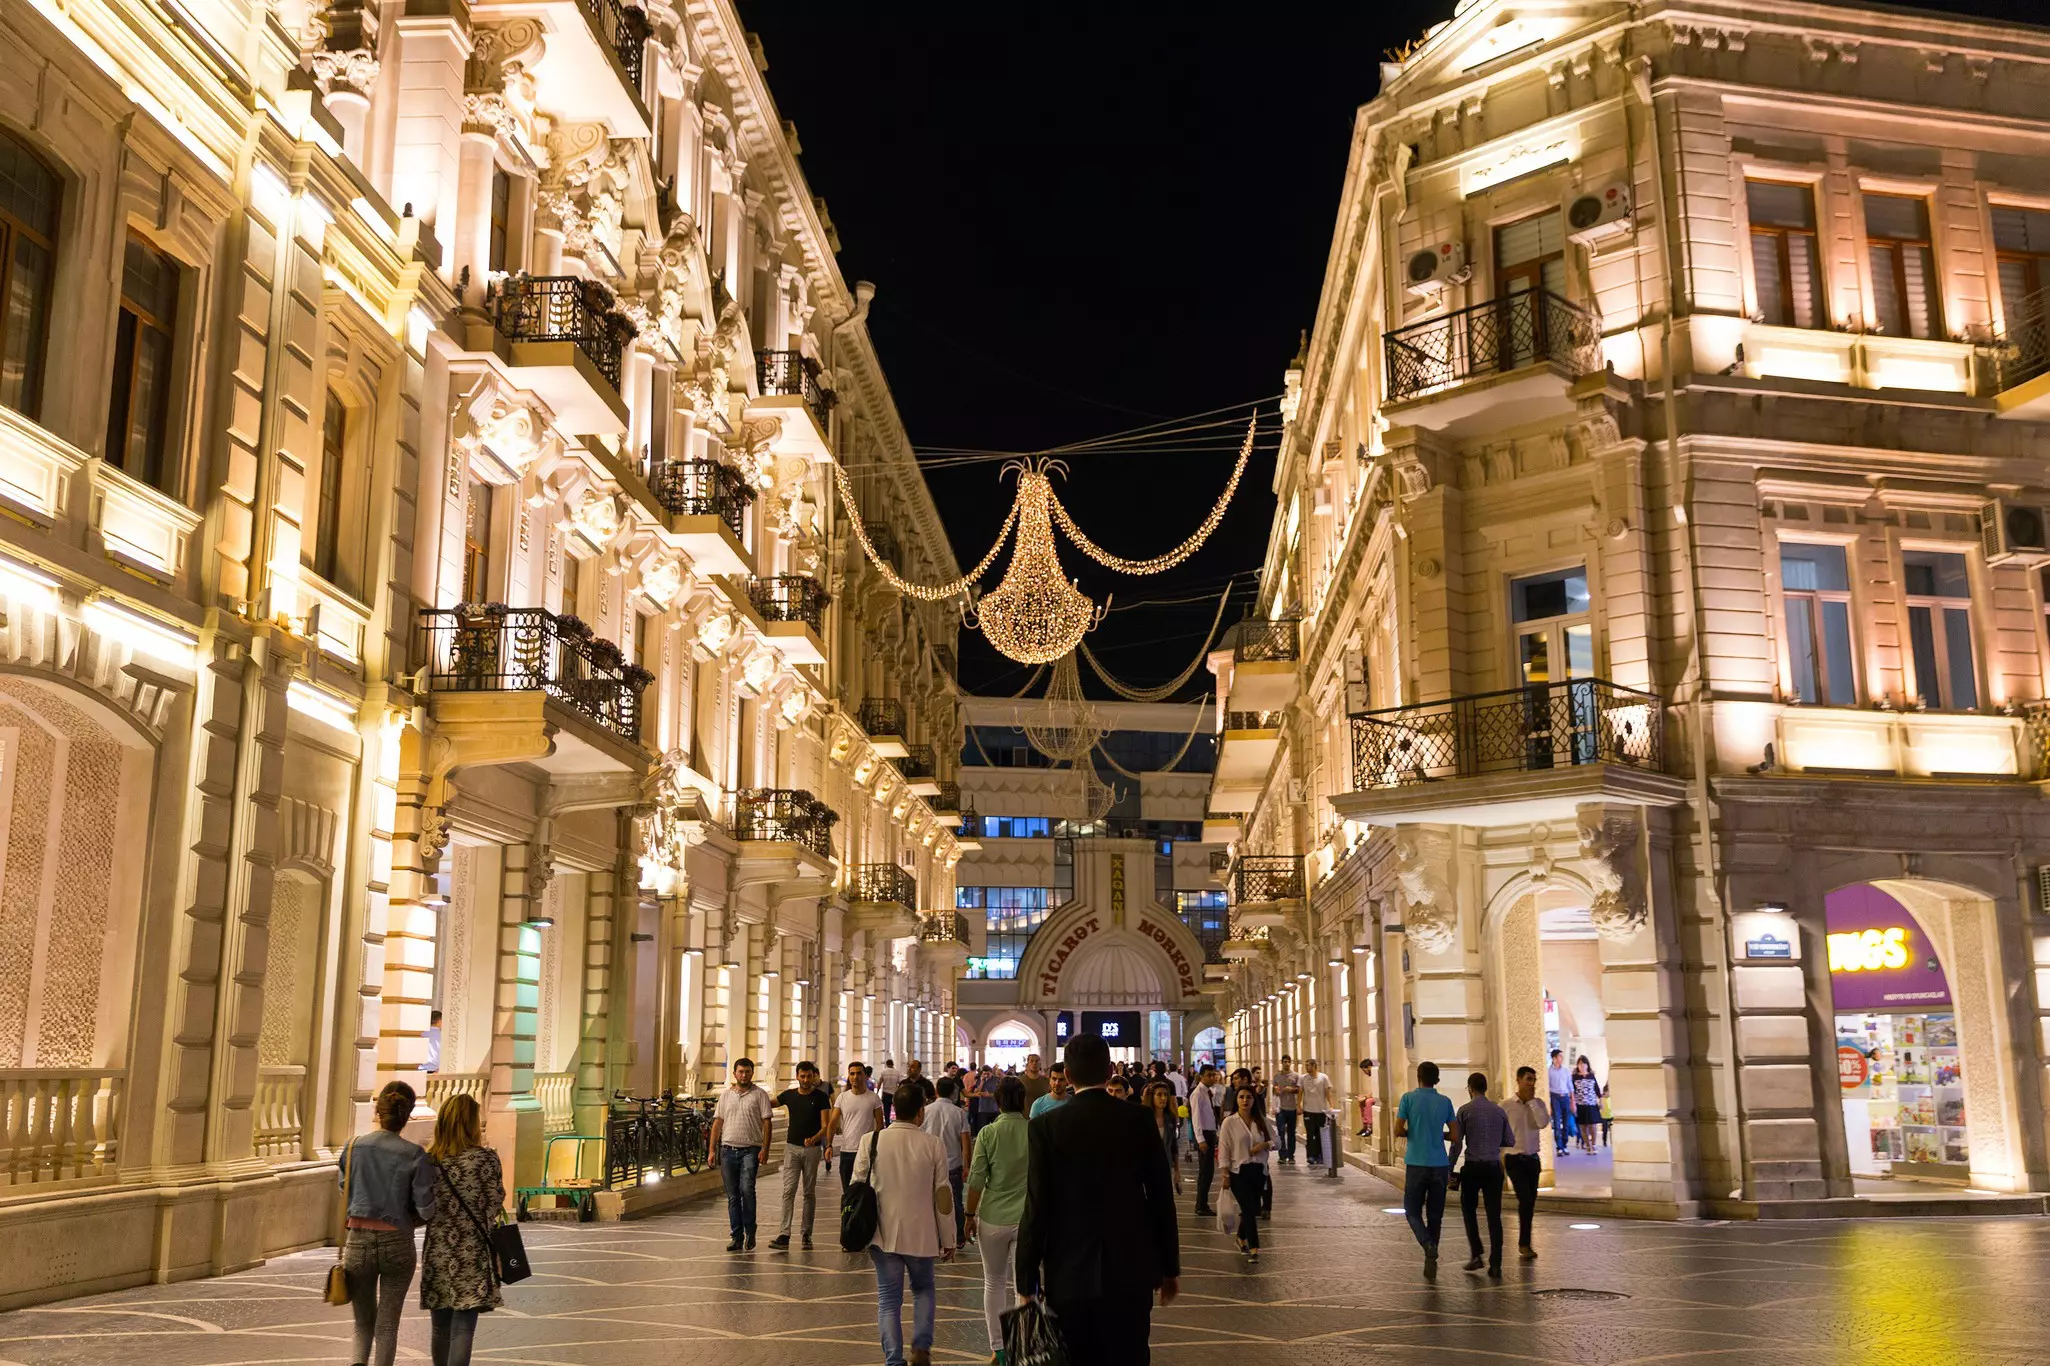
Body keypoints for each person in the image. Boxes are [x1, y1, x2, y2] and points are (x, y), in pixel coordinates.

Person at [1016, 1034, 1181, 1365]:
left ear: (1069, 1076)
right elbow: (1161, 1198)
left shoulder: (1045, 1126)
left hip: (1069, 1273)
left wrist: (1026, 1282)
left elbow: (1037, 1206)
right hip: (1131, 1270)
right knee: (1130, 1355)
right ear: (1109, 1072)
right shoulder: (1139, 1119)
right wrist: (1169, 1268)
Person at [852, 1081, 956, 1366]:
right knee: (923, 1290)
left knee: (888, 1300)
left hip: (881, 1235)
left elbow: (856, 1185)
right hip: (921, 1235)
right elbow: (943, 1196)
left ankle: (894, 1360)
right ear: (921, 1112)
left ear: (893, 1109)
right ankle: (921, 1346)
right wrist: (949, 1239)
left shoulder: (870, 1141)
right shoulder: (933, 1144)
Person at [338, 1080, 436, 1366]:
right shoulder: (414, 1154)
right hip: (397, 1244)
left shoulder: (354, 1147)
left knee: (362, 1322)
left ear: (377, 1111)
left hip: (357, 1241)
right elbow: (425, 1208)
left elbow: (345, 1188)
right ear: (406, 1116)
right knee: (387, 1323)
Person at [419, 1092, 502, 1366]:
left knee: (440, 1328)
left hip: (438, 1251)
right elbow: (495, 1203)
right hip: (473, 1252)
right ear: (471, 1124)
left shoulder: (430, 1161)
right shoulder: (486, 1160)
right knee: (463, 1328)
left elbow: (422, 1206)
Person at [966, 1077, 1028, 1363]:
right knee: (1023, 1287)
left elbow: (977, 1178)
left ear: (998, 1102)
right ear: (1023, 1101)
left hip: (992, 1218)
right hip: (1027, 1218)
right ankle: (1021, 1345)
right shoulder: (1035, 1131)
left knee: (993, 1282)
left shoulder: (988, 1133)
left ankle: (999, 1349)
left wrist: (969, 1215)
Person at [1393, 1060, 1456, 1277]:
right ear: (1436, 1079)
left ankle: (1428, 1245)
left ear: (1418, 1077)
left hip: (1416, 1163)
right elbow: (1455, 1135)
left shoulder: (1408, 1099)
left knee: (1411, 1210)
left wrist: (1412, 1132)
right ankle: (1432, 1258)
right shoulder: (1445, 1102)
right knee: (1435, 1215)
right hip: (1440, 1163)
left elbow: (1397, 1129)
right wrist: (1440, 1135)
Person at [1448, 1072, 1511, 1277]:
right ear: (1485, 1088)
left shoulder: (1465, 1110)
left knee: (1468, 1210)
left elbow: (1457, 1144)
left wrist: (1449, 1169)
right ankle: (1496, 1262)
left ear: (1470, 1089)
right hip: (1493, 1167)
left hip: (1473, 1167)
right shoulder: (1498, 1111)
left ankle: (1476, 1254)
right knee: (1494, 1216)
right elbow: (1509, 1140)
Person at [708, 1056, 773, 1252]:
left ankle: (750, 1230)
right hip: (728, 1150)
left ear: (752, 1073)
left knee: (747, 1189)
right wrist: (712, 1150)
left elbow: (767, 1123)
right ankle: (736, 1236)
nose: (744, 1075)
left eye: (747, 1071)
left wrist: (765, 1148)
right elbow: (717, 1123)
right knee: (733, 1196)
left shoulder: (760, 1095)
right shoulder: (726, 1096)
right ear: (734, 1073)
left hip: (750, 1151)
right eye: (740, 1072)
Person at [770, 1060, 832, 1250]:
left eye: (809, 1076)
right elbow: (769, 1103)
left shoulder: (821, 1097)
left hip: (812, 1150)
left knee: (808, 1192)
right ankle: (784, 1234)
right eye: (802, 1076)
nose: (805, 1080)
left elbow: (826, 1125)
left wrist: (815, 1139)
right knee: (788, 1191)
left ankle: (806, 1233)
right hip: (791, 1148)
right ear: (797, 1076)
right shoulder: (789, 1096)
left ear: (814, 1076)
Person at [1216, 1085, 1273, 1261]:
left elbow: (1276, 1141)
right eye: (1241, 1097)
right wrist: (1225, 1175)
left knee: (1252, 1208)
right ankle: (1254, 1247)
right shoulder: (1229, 1122)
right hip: (1238, 1172)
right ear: (1236, 1100)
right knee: (1248, 1210)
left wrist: (1263, 1145)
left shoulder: (1261, 1120)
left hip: (1259, 1171)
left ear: (1254, 1100)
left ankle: (1241, 1238)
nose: (1245, 1100)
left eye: (1249, 1097)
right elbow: (1224, 1149)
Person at [1502, 1065, 1550, 1261]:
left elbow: (1542, 1123)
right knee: (1525, 1199)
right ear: (1519, 1080)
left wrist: (1532, 1103)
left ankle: (1526, 1242)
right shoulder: (1505, 1106)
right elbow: (1500, 1133)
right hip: (1514, 1159)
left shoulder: (1538, 1104)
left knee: (1530, 1201)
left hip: (1532, 1159)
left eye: (1534, 1080)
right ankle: (1524, 1243)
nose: (1531, 1083)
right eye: (1528, 1079)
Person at [922, 1076, 973, 1245]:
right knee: (956, 1202)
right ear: (953, 1093)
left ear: (936, 1091)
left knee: (930, 1203)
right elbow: (965, 1141)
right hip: (953, 1165)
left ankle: (934, 1237)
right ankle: (958, 1238)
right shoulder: (959, 1113)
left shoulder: (926, 1111)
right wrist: (967, 1166)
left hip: (929, 1166)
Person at [828, 1061, 885, 1186]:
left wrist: (876, 1147)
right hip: (847, 1151)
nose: (855, 1077)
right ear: (849, 1076)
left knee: (865, 1190)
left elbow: (880, 1126)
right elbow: (832, 1123)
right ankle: (848, 1207)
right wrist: (829, 1145)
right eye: (852, 1073)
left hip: (866, 1151)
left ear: (865, 1076)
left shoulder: (874, 1098)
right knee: (848, 1190)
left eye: (859, 1073)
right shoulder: (842, 1098)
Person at [1191, 1065, 1224, 1217]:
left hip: (1210, 1133)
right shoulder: (1198, 1093)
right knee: (1205, 1172)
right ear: (1202, 1076)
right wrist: (1200, 1139)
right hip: (1204, 1135)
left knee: (1208, 1172)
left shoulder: (1208, 1092)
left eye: (1214, 1075)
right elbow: (1196, 1118)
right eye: (1209, 1075)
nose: (1213, 1078)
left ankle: (1202, 1203)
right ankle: (1201, 1204)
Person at [1143, 1083, 1183, 1193]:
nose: (1163, 1098)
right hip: (1147, 1167)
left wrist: (1177, 1170)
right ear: (1152, 1097)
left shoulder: (1170, 1118)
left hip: (1166, 1165)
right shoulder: (1144, 1118)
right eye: (1159, 1095)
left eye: (1166, 1094)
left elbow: (1174, 1146)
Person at [1299, 1060, 1334, 1169]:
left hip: (1321, 1110)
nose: (1307, 1067)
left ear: (1314, 1066)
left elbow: (1328, 1093)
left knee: (1320, 1134)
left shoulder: (1323, 1077)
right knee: (1310, 1134)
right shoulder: (1303, 1078)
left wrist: (1331, 1105)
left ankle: (1320, 1155)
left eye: (1308, 1065)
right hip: (1308, 1110)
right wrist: (1298, 1105)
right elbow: (1300, 1092)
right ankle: (1311, 1156)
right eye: (1306, 1065)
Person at [1271, 1057, 1300, 1164]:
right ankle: (1282, 1156)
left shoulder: (1296, 1076)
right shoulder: (1277, 1076)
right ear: (1282, 1063)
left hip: (1292, 1108)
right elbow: (1274, 1089)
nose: (1287, 1064)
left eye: (1288, 1062)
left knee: (1292, 1133)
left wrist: (1292, 1089)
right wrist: (1276, 1091)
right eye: (1285, 1062)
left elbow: (1299, 1090)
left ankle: (1291, 1156)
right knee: (1281, 1132)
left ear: (1290, 1063)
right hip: (1281, 1108)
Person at [1571, 1057, 1602, 1156]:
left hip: (1591, 1104)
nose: (1582, 1066)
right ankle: (1587, 1146)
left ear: (1587, 1065)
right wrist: (1572, 1103)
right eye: (1580, 1064)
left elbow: (1597, 1089)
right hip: (1580, 1105)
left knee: (1593, 1125)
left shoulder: (1591, 1076)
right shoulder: (1574, 1077)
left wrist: (1600, 1101)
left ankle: (1593, 1144)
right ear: (1578, 1065)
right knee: (1583, 1126)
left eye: (1584, 1063)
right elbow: (1572, 1091)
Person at [1546, 1050, 1572, 1157]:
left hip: (1565, 1097)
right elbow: (1547, 1088)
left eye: (1562, 1056)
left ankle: (1565, 1145)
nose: (1562, 1058)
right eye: (1560, 1056)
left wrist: (1573, 1102)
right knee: (1557, 1123)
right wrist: (1549, 1104)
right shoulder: (1549, 1071)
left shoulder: (1566, 1071)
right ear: (1554, 1058)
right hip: (1555, 1097)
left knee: (1566, 1123)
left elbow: (1570, 1087)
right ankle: (1559, 1147)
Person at [878, 1058, 903, 1123]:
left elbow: (880, 1083)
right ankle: (898, 1123)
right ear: (893, 1064)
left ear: (886, 1064)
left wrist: (877, 1092)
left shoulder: (883, 1072)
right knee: (897, 1110)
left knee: (887, 1111)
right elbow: (900, 1083)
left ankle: (887, 1124)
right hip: (895, 1094)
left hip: (886, 1094)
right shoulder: (897, 1072)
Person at [1357, 1058, 1377, 1139]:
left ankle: (1370, 1126)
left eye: (1364, 1070)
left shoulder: (1377, 1074)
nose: (1364, 1073)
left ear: (1369, 1067)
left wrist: (1365, 1097)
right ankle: (1365, 1125)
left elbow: (1377, 1092)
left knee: (1368, 1102)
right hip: (1376, 1096)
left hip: (1382, 1098)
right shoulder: (1373, 1076)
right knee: (1361, 1101)